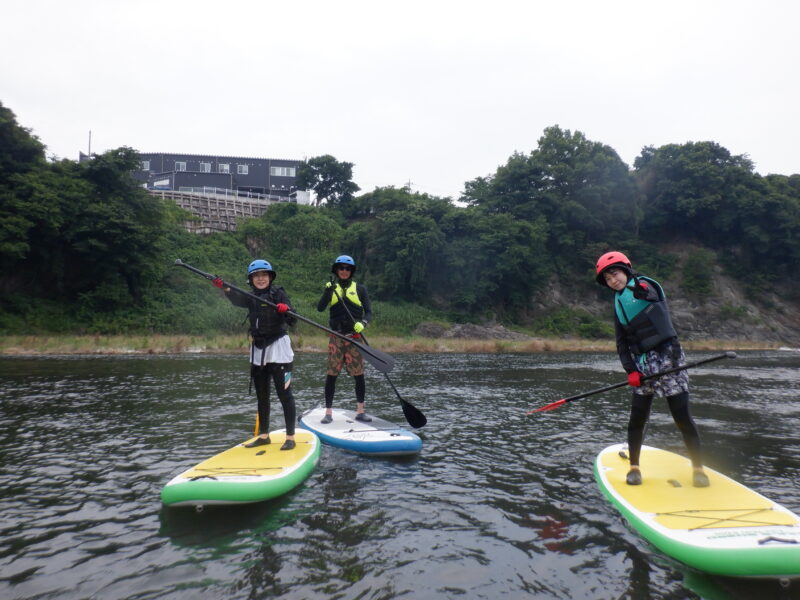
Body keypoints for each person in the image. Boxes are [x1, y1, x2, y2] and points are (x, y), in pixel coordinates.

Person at [595, 251, 709, 487]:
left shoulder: (647, 285)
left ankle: (698, 468)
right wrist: (631, 371)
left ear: (625, 270)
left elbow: (651, 294)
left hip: (669, 357)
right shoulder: (617, 305)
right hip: (642, 363)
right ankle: (634, 467)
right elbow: (621, 343)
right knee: (637, 417)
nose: (612, 281)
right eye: (607, 279)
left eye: (614, 274)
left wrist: (640, 291)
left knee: (681, 416)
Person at [214, 259, 297, 450]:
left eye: (264, 275)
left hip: (279, 348)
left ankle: (290, 437)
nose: (261, 279)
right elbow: (236, 299)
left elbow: (293, 319)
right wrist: (225, 289)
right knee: (262, 395)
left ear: (270, 277)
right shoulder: (249, 297)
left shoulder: (279, 294)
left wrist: (287, 310)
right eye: (256, 276)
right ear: (251, 280)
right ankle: (264, 436)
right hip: (259, 350)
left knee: (285, 395)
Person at [316, 254, 373, 424]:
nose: (344, 271)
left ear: (351, 271)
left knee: (359, 375)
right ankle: (328, 413)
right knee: (331, 375)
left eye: (347, 269)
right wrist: (327, 291)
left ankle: (360, 411)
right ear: (336, 270)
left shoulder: (360, 289)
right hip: (337, 338)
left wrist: (363, 323)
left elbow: (369, 312)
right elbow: (320, 308)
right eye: (341, 268)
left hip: (355, 337)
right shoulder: (331, 288)